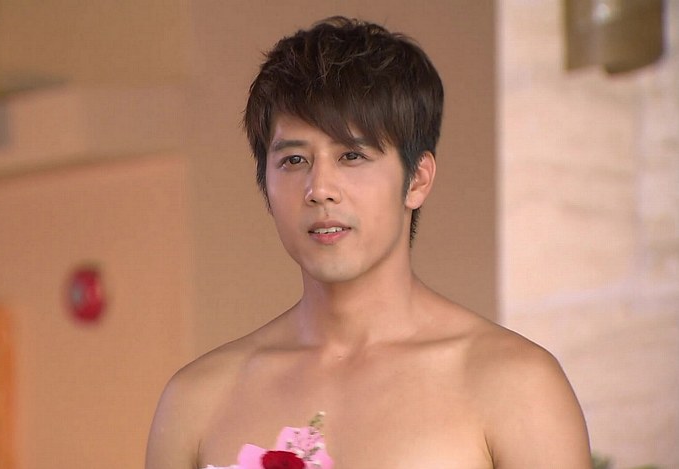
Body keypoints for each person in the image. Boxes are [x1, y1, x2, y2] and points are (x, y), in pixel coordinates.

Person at [146, 16, 591, 469]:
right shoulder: (199, 400)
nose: (319, 188)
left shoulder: (515, 387)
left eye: (352, 155)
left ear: (417, 179)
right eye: (294, 160)